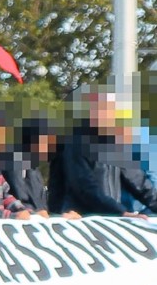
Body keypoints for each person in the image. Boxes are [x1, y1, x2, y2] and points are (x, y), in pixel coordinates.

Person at [57, 87, 157, 216]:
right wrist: (120, 211)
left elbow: (139, 182)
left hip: (111, 218)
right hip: (81, 218)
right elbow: (85, 186)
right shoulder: (75, 141)